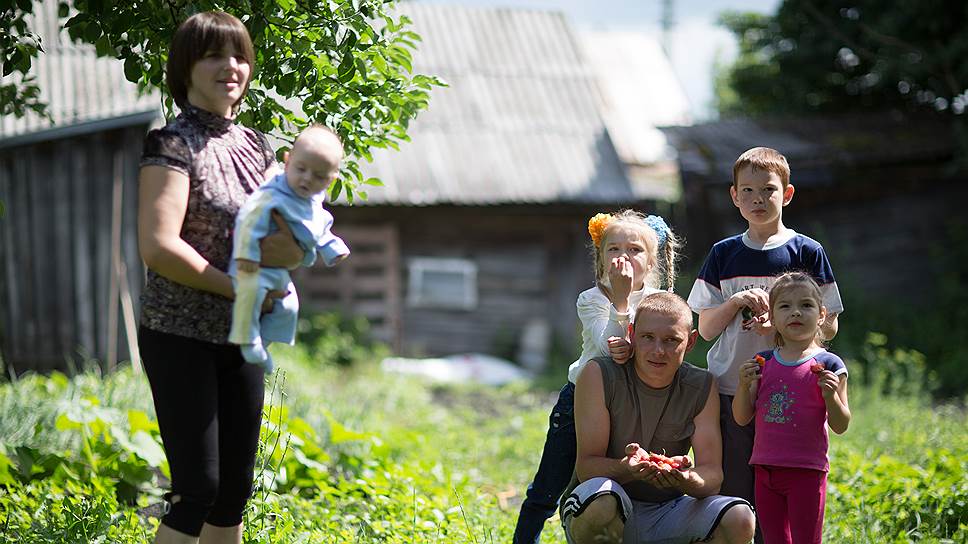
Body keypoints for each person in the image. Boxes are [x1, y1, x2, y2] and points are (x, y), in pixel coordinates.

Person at [137, 11, 304, 544]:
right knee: (198, 488)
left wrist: (295, 247)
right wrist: (237, 287)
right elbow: (160, 248)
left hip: (242, 335)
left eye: (238, 55)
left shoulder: (259, 147)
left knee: (233, 491)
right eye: (213, 54)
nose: (229, 66)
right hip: (179, 332)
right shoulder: (171, 144)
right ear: (186, 68)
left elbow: (285, 236)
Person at [686, 147, 844, 536]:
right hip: (730, 388)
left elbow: (831, 325)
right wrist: (737, 301)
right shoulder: (724, 254)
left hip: (793, 390)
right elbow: (705, 328)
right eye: (749, 191)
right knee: (736, 494)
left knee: (789, 493)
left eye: (768, 190)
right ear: (734, 196)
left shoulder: (806, 252)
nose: (758, 199)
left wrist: (782, 325)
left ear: (786, 194)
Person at [513, 210, 680, 544]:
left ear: (650, 263)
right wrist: (620, 299)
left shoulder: (659, 303)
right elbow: (607, 350)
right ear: (601, 260)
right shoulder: (591, 299)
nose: (623, 257)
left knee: (628, 480)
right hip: (581, 402)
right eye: (614, 249)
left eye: (634, 250)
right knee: (548, 487)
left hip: (633, 405)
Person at [561, 292, 755, 544]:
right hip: (605, 500)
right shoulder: (599, 373)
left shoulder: (702, 385)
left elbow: (712, 476)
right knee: (603, 505)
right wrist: (626, 468)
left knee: (739, 518)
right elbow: (587, 467)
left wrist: (685, 478)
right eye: (647, 337)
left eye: (671, 340)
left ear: (691, 341)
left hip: (669, 508)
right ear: (631, 333)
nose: (658, 351)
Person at [732, 272, 850, 544]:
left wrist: (831, 397)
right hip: (765, 470)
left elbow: (841, 425)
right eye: (785, 306)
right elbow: (741, 417)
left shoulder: (829, 364)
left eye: (806, 305)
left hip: (807, 472)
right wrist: (742, 386)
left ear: (821, 314)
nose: (795, 312)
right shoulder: (762, 361)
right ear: (772, 317)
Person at [229, 125, 350, 372]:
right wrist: (247, 255)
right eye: (301, 169)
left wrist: (331, 248)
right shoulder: (273, 194)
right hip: (252, 264)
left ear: (331, 179)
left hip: (278, 271)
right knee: (249, 293)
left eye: (318, 176)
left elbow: (318, 227)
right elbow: (247, 220)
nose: (306, 179)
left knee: (289, 305)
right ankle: (247, 338)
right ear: (287, 160)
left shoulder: (311, 201)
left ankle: (264, 342)